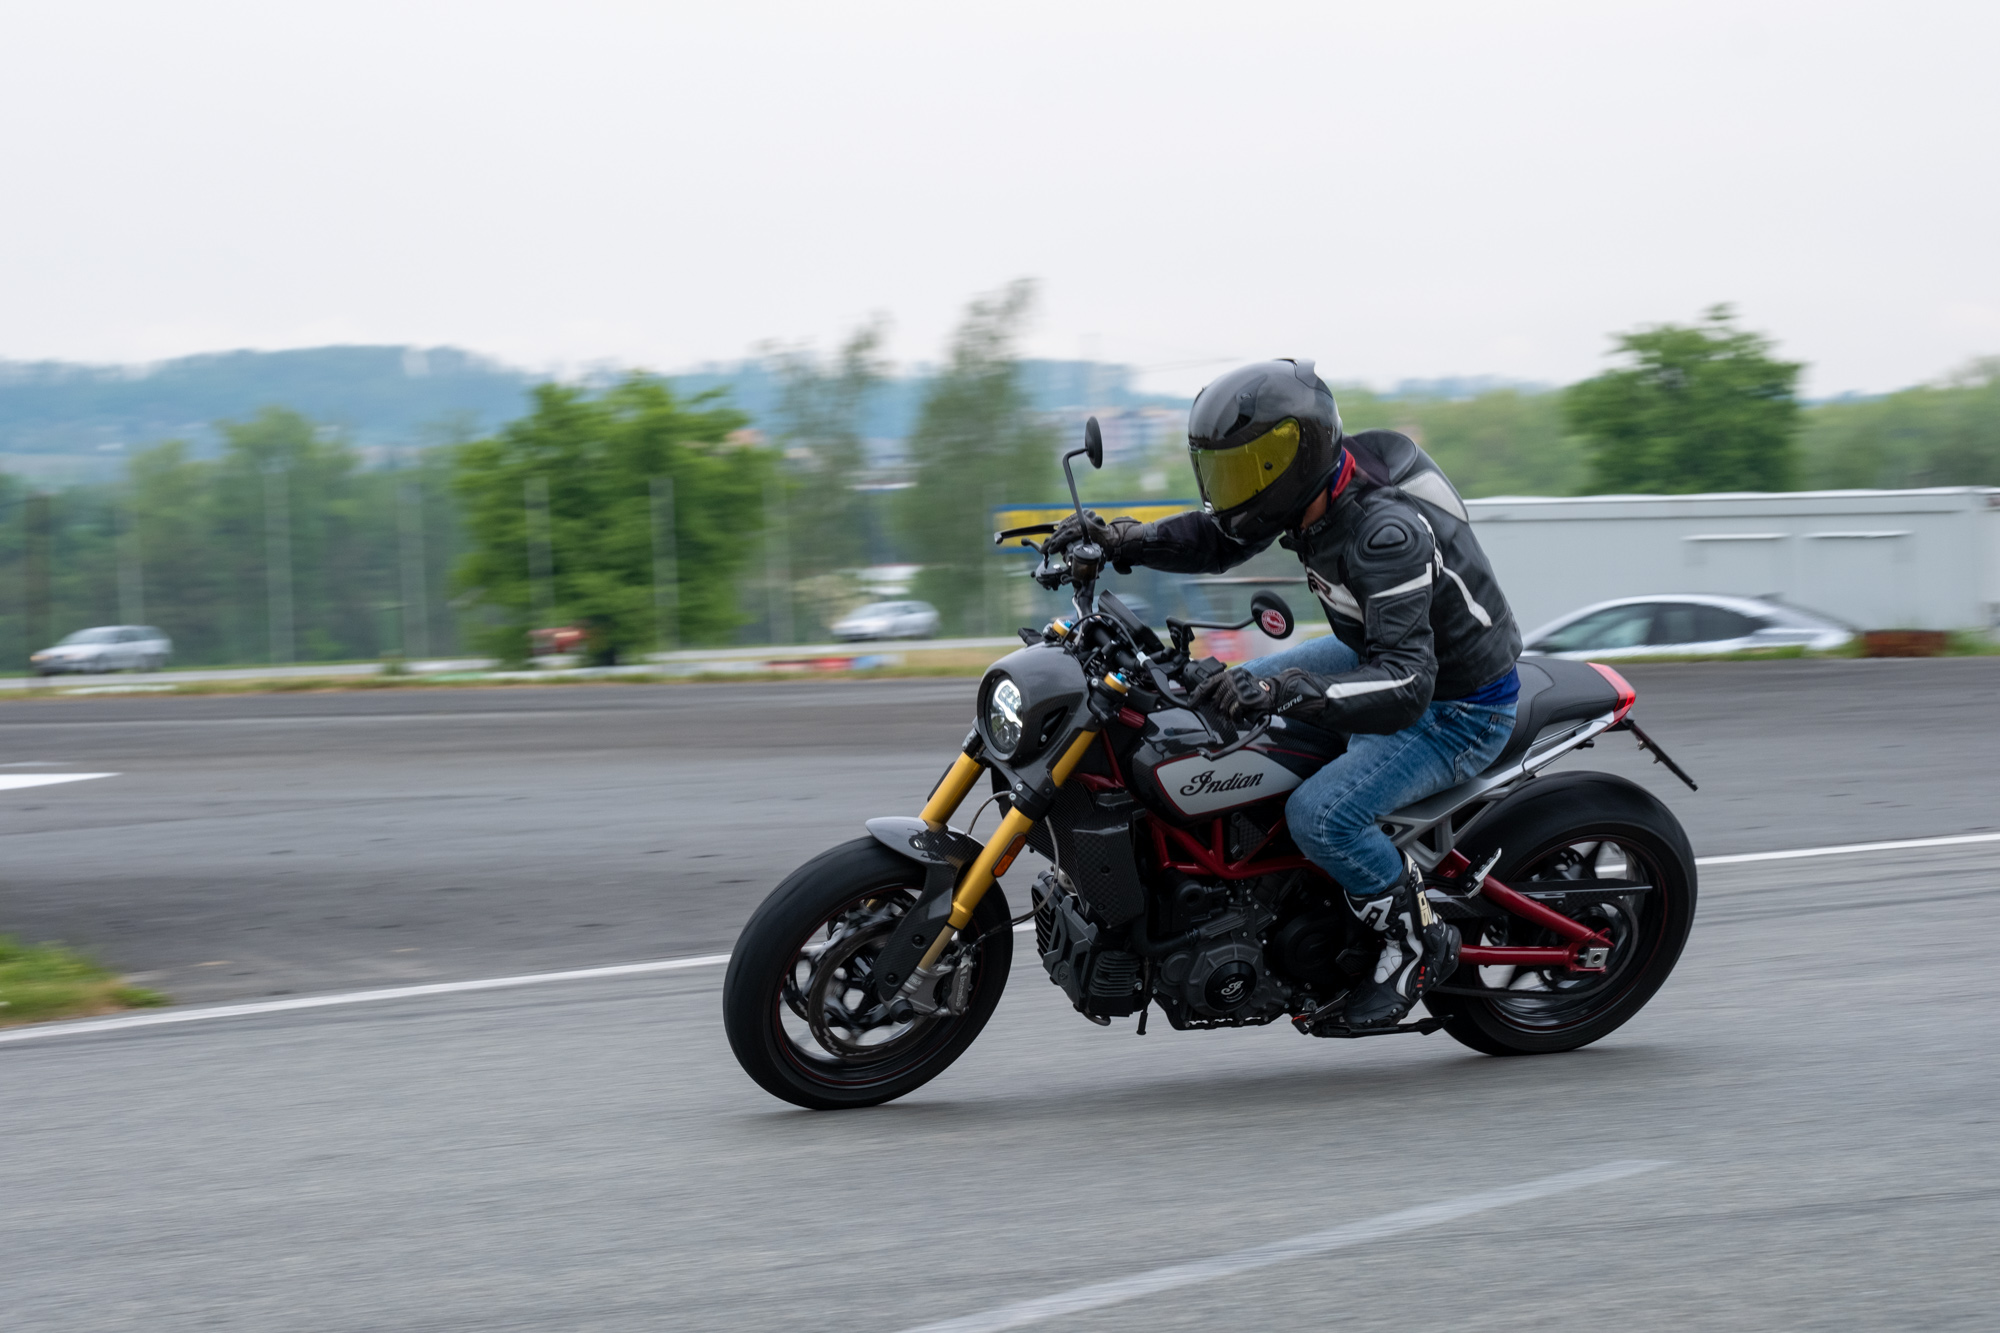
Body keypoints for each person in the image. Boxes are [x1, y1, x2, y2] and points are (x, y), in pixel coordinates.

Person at [1043, 359, 1522, 1029]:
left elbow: (1410, 685)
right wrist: (1122, 539)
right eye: (1225, 469)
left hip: (1457, 705)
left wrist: (1278, 688)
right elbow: (1217, 539)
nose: (1234, 487)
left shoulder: (1383, 535)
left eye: (1250, 468)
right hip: (1372, 651)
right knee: (1212, 705)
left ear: (1297, 457)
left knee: (1321, 815)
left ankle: (1417, 942)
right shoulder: (1315, 492)